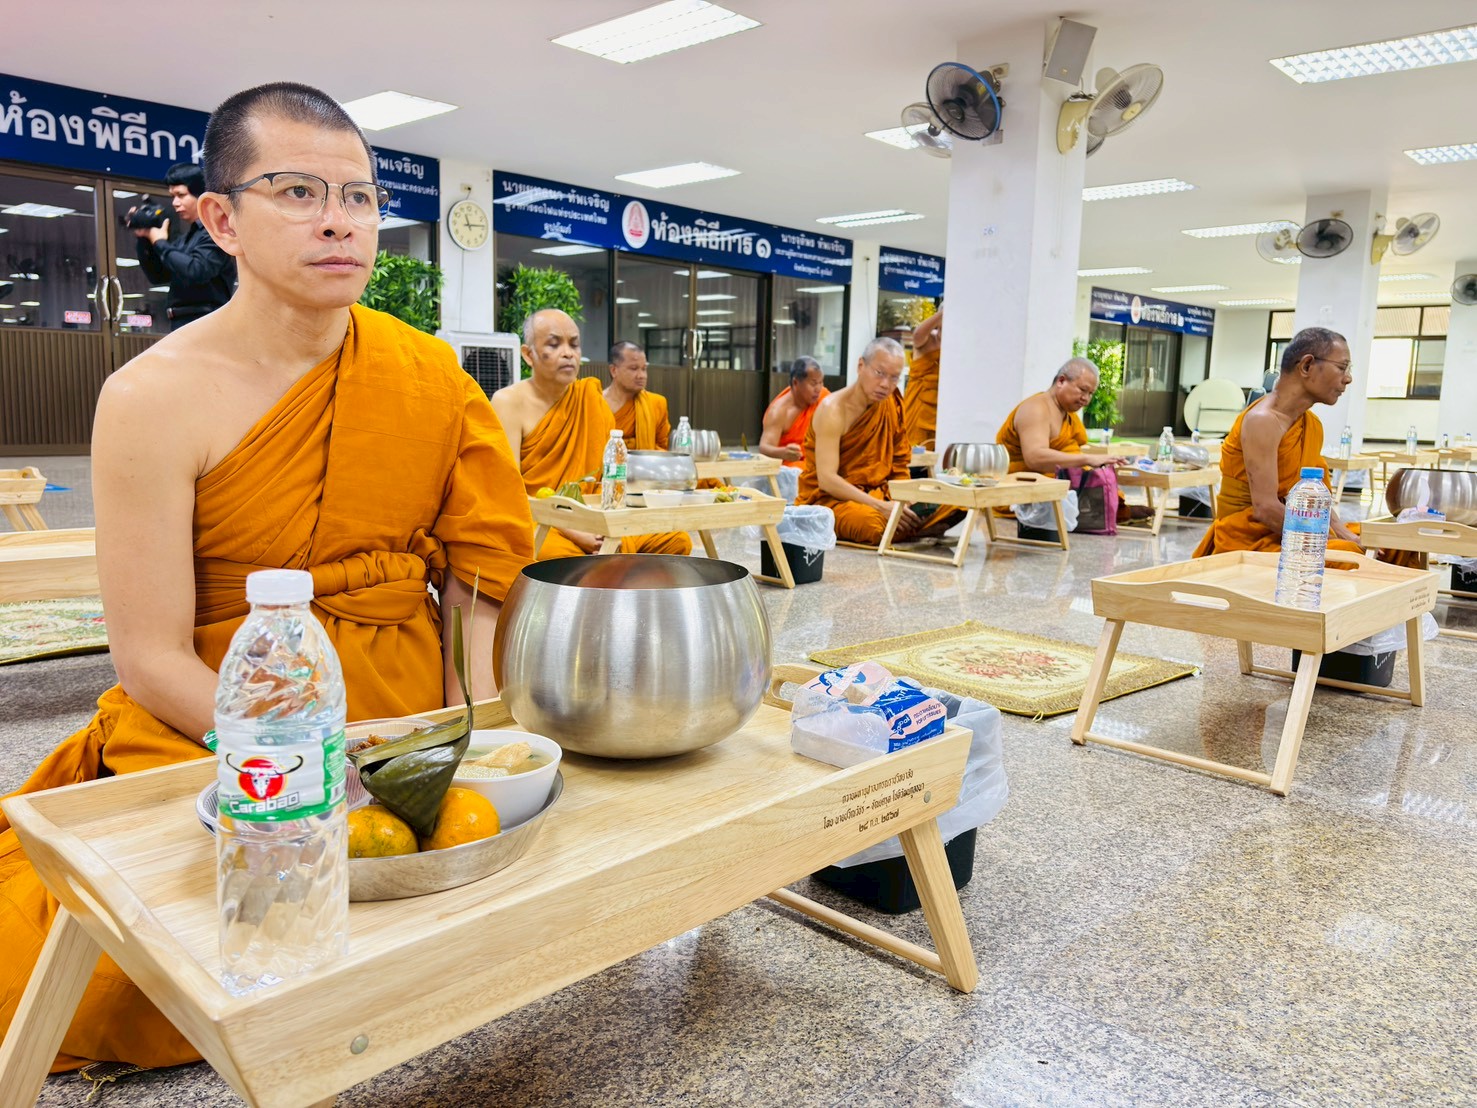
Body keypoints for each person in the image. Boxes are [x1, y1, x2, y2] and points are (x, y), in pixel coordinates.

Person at [0, 81, 534, 1073]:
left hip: (404, 713)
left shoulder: (430, 379)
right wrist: (300, 763)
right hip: (216, 722)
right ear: (220, 220)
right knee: (142, 973)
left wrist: (459, 740)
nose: (339, 220)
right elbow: (150, 655)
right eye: (296, 191)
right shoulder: (151, 398)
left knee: (491, 898)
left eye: (359, 196)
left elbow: (480, 580)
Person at [493, 309, 691, 558]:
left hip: (593, 514)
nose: (568, 353)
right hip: (540, 519)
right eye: (554, 344)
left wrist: (601, 524)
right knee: (555, 557)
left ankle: (617, 576)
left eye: (574, 344)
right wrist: (573, 530)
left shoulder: (591, 401)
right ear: (528, 354)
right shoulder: (509, 402)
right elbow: (509, 491)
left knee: (676, 541)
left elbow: (606, 480)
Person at [1194, 327, 1365, 557]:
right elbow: (1266, 509)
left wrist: (1347, 535)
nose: (1348, 378)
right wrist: (1332, 541)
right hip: (1250, 538)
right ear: (1307, 366)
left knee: (1387, 544)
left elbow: (1318, 500)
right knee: (1349, 556)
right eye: (1342, 368)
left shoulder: (1311, 424)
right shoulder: (1262, 421)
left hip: (1292, 530)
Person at [797, 337, 960, 545]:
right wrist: (880, 507)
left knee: (955, 503)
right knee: (871, 524)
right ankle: (909, 527)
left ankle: (903, 524)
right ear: (861, 366)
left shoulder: (891, 404)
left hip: (880, 493)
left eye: (894, 378)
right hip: (834, 500)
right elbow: (827, 480)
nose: (885, 384)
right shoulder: (833, 410)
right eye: (879, 373)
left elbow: (899, 463)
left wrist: (906, 499)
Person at [995, 358, 1145, 525]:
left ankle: (1115, 510)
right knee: (1099, 499)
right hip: (1023, 489)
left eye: (1090, 393)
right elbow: (1035, 458)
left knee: (1104, 490)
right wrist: (1087, 459)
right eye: (1083, 390)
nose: (1086, 399)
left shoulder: (1066, 412)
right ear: (1061, 381)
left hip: (1056, 484)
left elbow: (1070, 449)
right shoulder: (1036, 409)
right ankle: (1115, 512)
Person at [131, 161, 237, 329]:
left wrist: (160, 243)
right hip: (181, 322)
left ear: (200, 195)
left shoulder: (215, 233)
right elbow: (158, 276)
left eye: (181, 195)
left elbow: (196, 270)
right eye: (173, 196)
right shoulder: (185, 239)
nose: (175, 202)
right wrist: (145, 239)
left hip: (207, 322)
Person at [759, 357, 829, 468]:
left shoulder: (824, 398)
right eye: (813, 383)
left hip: (820, 460)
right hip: (793, 466)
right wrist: (783, 452)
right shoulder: (779, 411)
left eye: (821, 383)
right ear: (795, 382)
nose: (818, 389)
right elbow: (765, 447)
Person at [602, 341, 669, 450]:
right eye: (634, 368)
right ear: (614, 370)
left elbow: (662, 449)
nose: (641, 376)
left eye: (644, 369)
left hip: (646, 462)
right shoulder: (597, 404)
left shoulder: (656, 404)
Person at [901, 302, 942, 447]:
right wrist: (944, 312)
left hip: (939, 404)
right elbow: (917, 335)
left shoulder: (955, 344)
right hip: (918, 400)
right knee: (913, 445)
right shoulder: (928, 338)